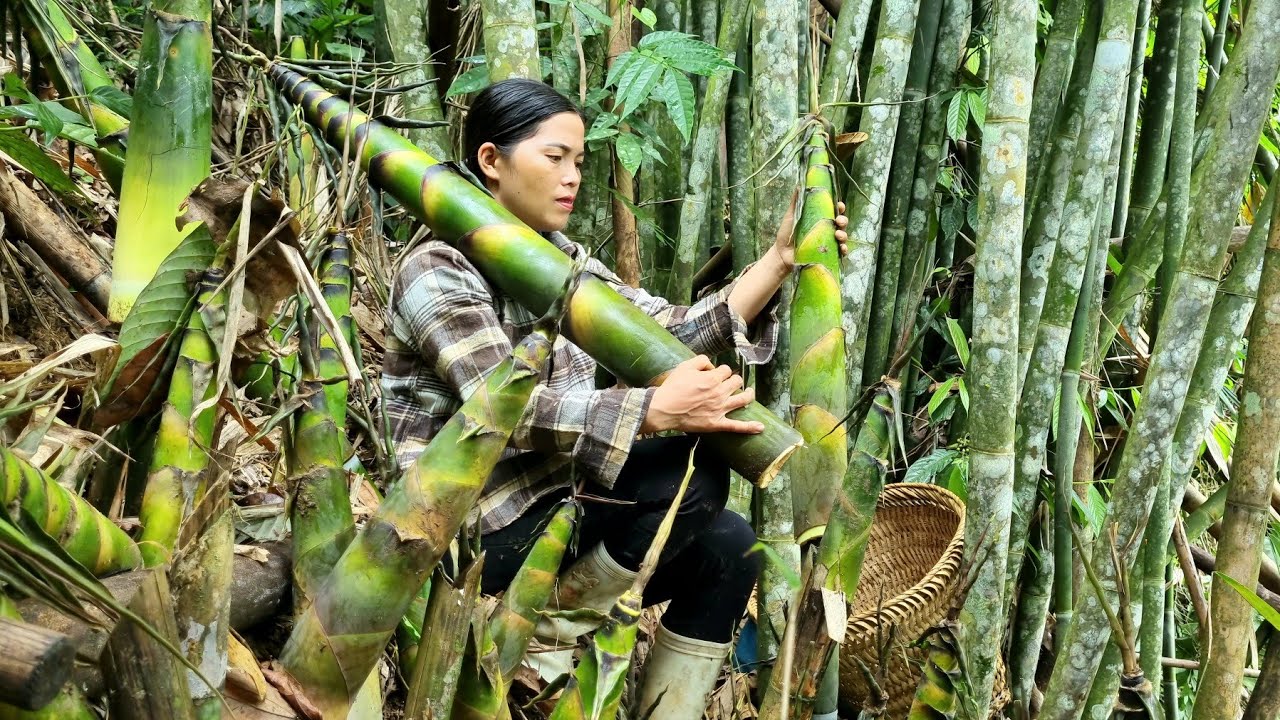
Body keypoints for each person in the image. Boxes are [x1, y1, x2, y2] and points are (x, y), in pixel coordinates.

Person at [382, 78, 848, 719]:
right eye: (555, 158)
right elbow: (505, 412)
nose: (571, 176)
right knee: (687, 468)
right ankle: (540, 638)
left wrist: (778, 261)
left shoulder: (563, 261)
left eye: (578, 161)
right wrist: (656, 412)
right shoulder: (438, 267)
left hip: (561, 506)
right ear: (492, 161)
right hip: (475, 531)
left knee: (732, 547)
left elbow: (672, 335)